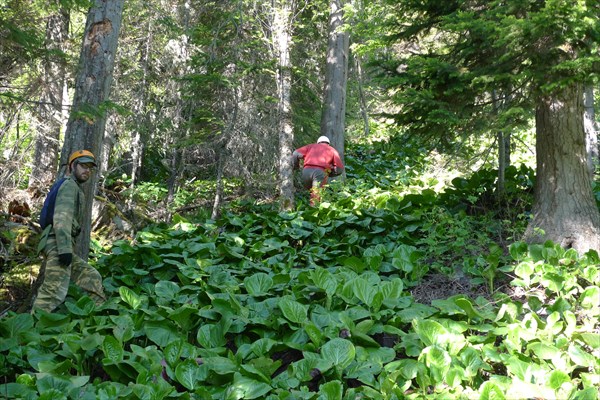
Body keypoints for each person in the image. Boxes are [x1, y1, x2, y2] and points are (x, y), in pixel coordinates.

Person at [32, 150, 106, 312]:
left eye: (90, 168)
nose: (87, 170)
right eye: (83, 166)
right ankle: (30, 332)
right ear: (72, 166)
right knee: (53, 291)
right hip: (57, 244)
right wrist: (64, 249)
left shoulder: (72, 186)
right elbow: (62, 217)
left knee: (91, 277)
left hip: (58, 243)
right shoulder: (69, 186)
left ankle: (99, 319)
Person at [292, 135, 344, 205]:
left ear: (318, 142)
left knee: (310, 191)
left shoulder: (310, 146)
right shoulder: (332, 150)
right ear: (328, 143)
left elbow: (295, 153)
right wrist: (330, 173)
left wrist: (296, 166)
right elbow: (339, 168)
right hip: (320, 172)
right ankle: (313, 212)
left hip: (306, 171)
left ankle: (304, 209)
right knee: (316, 196)